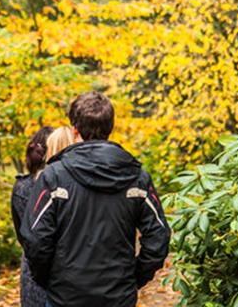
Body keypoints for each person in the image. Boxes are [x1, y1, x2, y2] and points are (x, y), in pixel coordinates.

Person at [20, 92, 170, 307]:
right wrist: (134, 278)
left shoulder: (54, 176)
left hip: (65, 297)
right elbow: (159, 236)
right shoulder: (136, 177)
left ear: (74, 130)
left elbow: (35, 240)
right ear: (110, 128)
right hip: (118, 297)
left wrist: (51, 281)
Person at [11, 126, 53, 307]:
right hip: (62, 272)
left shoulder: (21, 188)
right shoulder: (61, 186)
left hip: (32, 271)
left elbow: (22, 234)